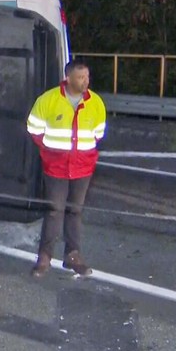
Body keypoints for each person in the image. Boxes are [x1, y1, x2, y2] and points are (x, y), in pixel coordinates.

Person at [26, 59, 107, 278]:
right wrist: (51, 151)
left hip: (83, 168)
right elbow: (33, 128)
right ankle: (44, 257)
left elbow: (98, 133)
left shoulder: (96, 102)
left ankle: (73, 256)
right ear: (68, 78)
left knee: (75, 211)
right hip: (56, 168)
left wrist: (83, 154)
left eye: (87, 77)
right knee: (54, 211)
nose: (85, 81)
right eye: (81, 77)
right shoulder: (49, 100)